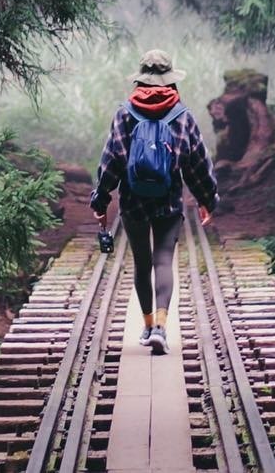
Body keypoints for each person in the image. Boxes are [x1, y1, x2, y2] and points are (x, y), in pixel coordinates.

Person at [92, 49, 219, 355]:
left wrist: (101, 199)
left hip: (133, 202)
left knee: (142, 263)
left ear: (141, 79)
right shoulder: (182, 116)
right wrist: (207, 199)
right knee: (164, 261)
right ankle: (162, 327)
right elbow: (197, 163)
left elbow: (112, 160)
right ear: (170, 80)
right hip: (169, 200)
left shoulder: (125, 114)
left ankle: (147, 326)